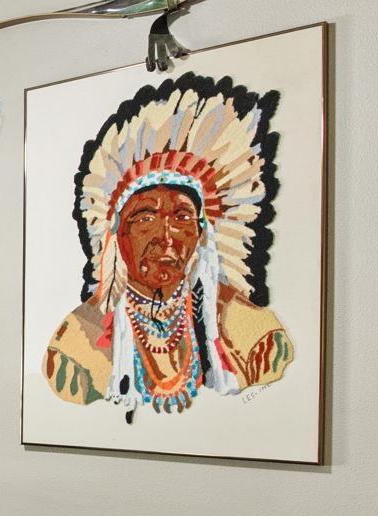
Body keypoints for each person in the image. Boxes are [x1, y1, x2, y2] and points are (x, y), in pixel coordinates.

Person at [44, 73, 291, 417]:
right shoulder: (78, 348)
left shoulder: (252, 337)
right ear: (116, 237)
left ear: (203, 235)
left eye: (183, 217)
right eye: (145, 217)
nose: (167, 234)